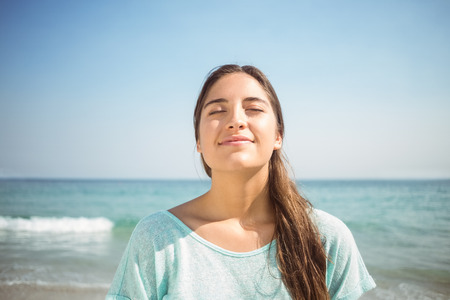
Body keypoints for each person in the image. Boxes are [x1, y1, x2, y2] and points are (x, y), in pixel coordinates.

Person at [106, 64, 376, 300]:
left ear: (278, 136)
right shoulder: (156, 238)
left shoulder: (325, 238)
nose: (236, 121)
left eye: (254, 108)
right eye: (217, 111)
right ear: (198, 141)